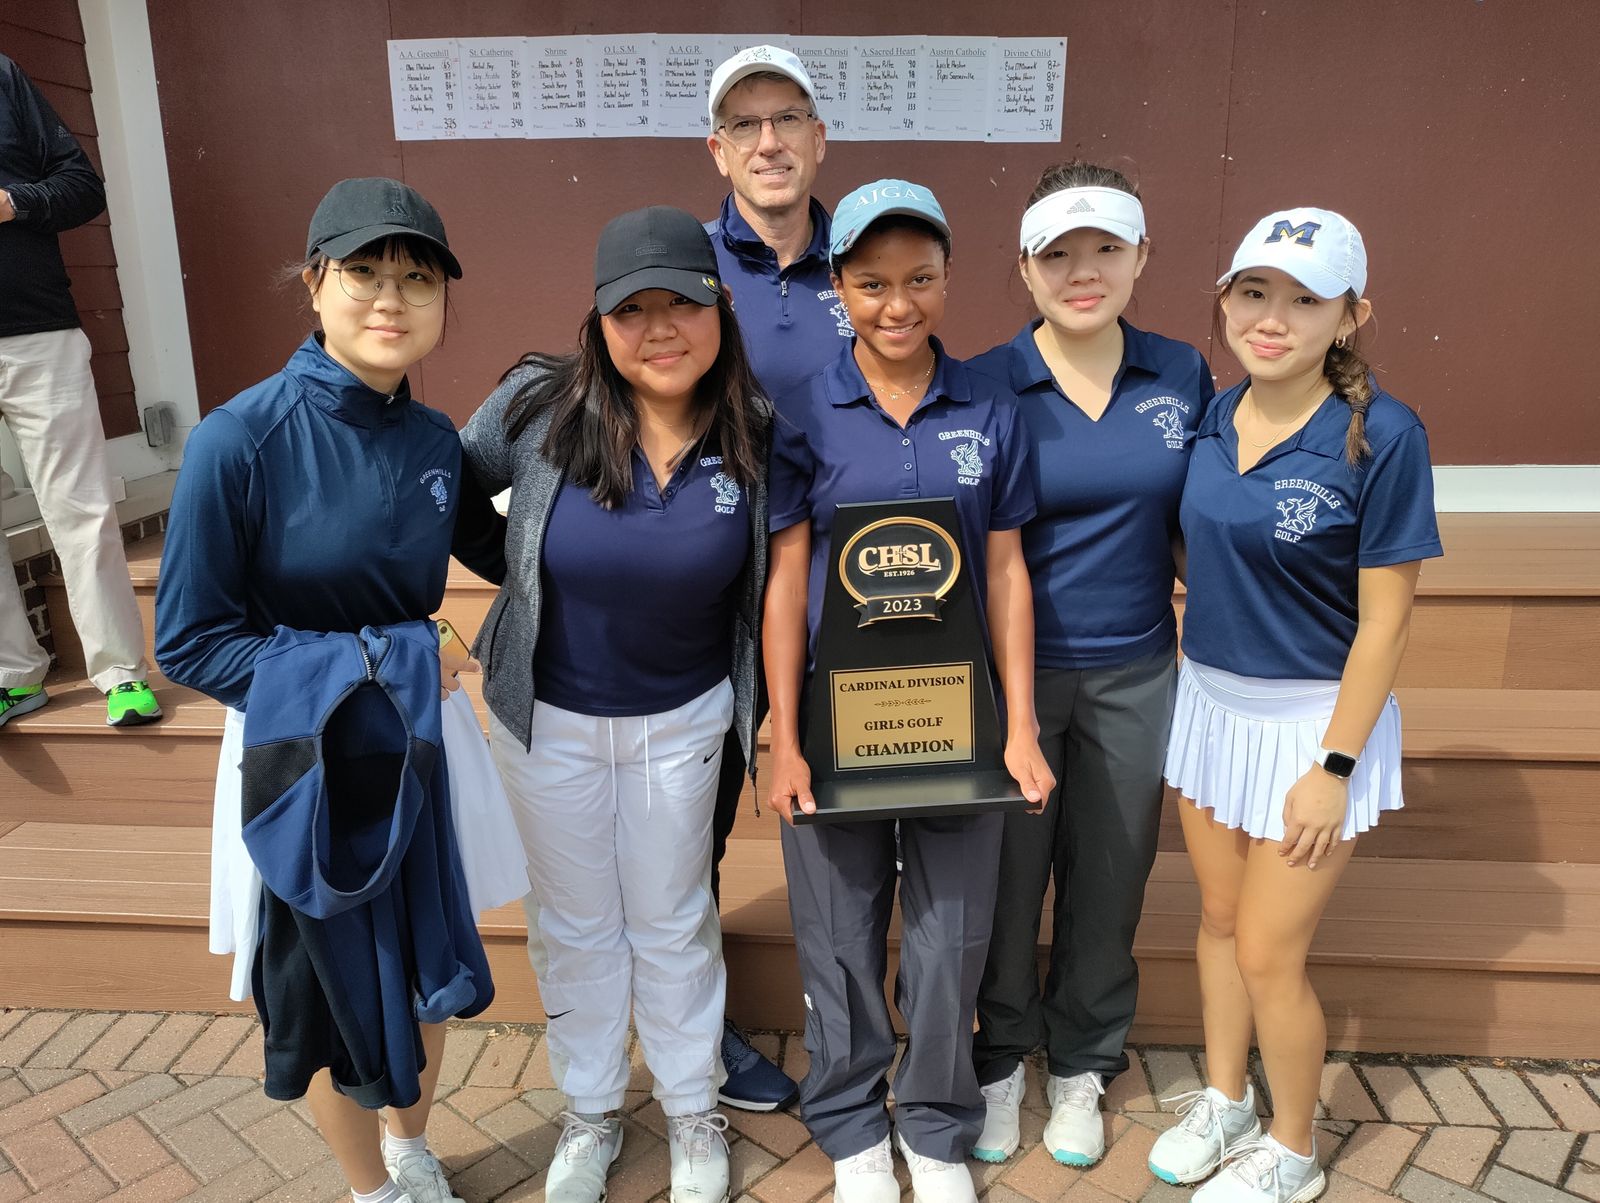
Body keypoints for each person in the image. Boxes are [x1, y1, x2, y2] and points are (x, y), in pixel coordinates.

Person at [156, 177, 507, 1203]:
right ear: (314, 284)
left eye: (416, 277)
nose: (390, 298)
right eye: (363, 272)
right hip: (299, 756)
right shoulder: (239, 440)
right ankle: (368, 1187)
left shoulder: (437, 443)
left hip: (417, 744)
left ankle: (412, 1147)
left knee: (428, 952)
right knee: (327, 980)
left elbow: (527, 549)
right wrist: (385, 660)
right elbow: (191, 641)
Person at [461, 205, 771, 1203]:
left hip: (683, 722)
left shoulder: (754, 434)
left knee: (674, 918)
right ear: (597, 324)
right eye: (630, 309)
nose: (659, 326)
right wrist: (510, 571)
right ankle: (592, 1108)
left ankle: (691, 1108)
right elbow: (447, 494)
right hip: (545, 718)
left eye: (681, 300)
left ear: (718, 307)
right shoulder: (533, 406)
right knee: (577, 922)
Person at [763, 178, 1054, 1203]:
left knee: (952, 936)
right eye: (872, 281)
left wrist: (1020, 727)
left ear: (946, 278)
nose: (898, 304)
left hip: (959, 721)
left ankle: (934, 1126)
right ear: (838, 285)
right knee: (838, 936)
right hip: (837, 726)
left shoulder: (989, 405)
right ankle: (847, 1128)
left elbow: (1009, 571)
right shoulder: (802, 414)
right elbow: (789, 574)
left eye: (920, 279)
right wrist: (782, 734)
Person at [1148, 209, 1442, 1200]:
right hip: (1209, 707)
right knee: (1221, 921)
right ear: (1225, 301)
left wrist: (1333, 768)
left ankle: (1292, 1149)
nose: (1270, 318)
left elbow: (1385, 625)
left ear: (1351, 315)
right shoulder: (1210, 414)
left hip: (1312, 728)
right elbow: (1199, 552)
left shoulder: (1383, 435)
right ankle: (1226, 1095)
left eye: (1303, 299)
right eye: (1252, 292)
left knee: (1272, 952)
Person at [965, 162, 1214, 1169]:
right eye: (1058, 253)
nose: (1083, 271)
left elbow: (1202, 523)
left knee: (1110, 878)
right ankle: (996, 1057)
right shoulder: (983, 381)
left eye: (1105, 248)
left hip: (1136, 670)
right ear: (1023, 268)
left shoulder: (1182, 371)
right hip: (1011, 679)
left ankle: (1081, 1062)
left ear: (1141, 256)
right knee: (1005, 880)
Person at [702, 43, 848, 1110]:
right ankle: (699, 1042)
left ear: (818, 138)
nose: (768, 141)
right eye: (745, 125)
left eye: (786, 118)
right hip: (709, 588)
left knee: (841, 815)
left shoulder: (870, 254)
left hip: (850, 590)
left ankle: (861, 1037)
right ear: (718, 149)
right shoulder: (682, 265)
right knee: (690, 829)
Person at [0, 52, 160, 729]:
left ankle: (121, 673)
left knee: (82, 510)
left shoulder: (6, 78)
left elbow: (81, 186)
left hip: (39, 334)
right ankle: (12, 678)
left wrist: (13, 201)